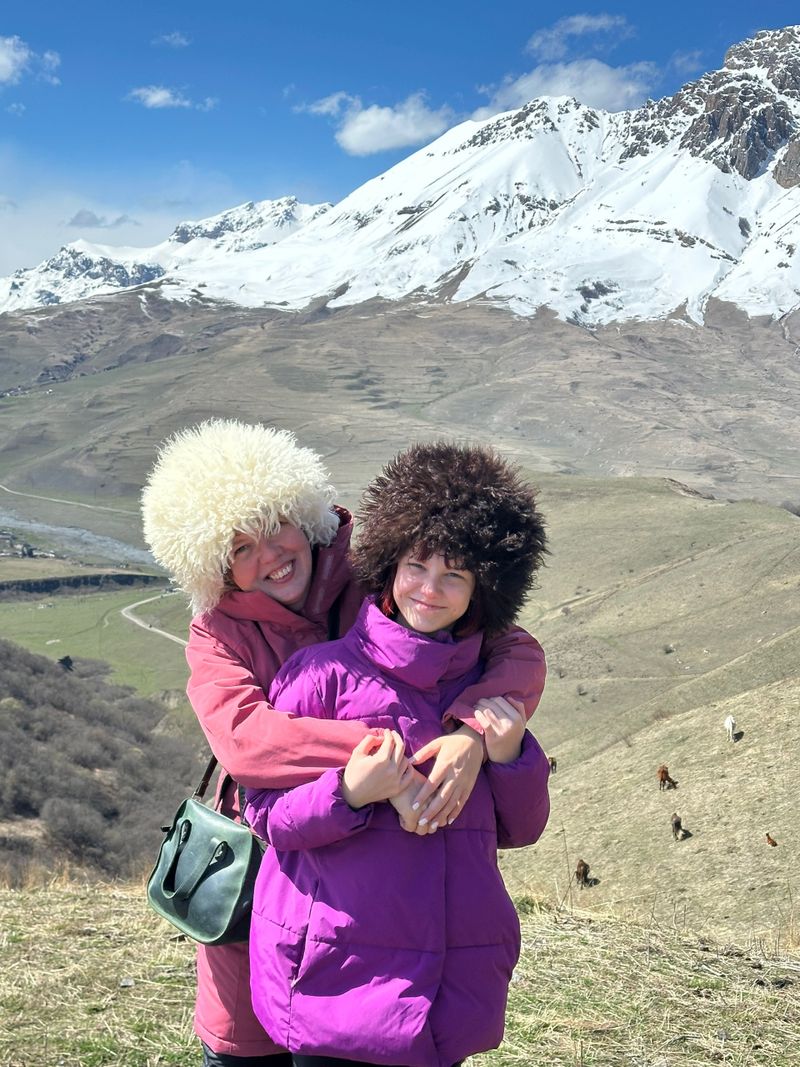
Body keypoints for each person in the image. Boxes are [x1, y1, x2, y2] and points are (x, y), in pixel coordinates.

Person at [140, 421, 547, 1067]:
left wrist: (471, 733)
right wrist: (392, 758)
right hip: (265, 842)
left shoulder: (378, 569)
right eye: (240, 547)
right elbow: (247, 743)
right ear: (212, 563)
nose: (271, 554)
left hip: (373, 884)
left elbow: (515, 651)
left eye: (277, 525)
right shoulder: (217, 631)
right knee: (245, 1039)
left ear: (305, 512)